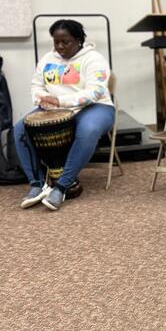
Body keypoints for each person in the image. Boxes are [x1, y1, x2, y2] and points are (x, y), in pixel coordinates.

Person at [14, 19, 116, 211]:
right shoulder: (47, 59)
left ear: (78, 40)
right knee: (20, 129)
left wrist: (60, 101)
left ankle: (62, 186)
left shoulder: (94, 59)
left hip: (95, 107)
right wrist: (41, 98)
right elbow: (36, 85)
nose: (60, 46)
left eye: (65, 42)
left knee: (88, 129)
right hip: (54, 108)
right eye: (56, 42)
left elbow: (94, 92)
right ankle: (37, 184)